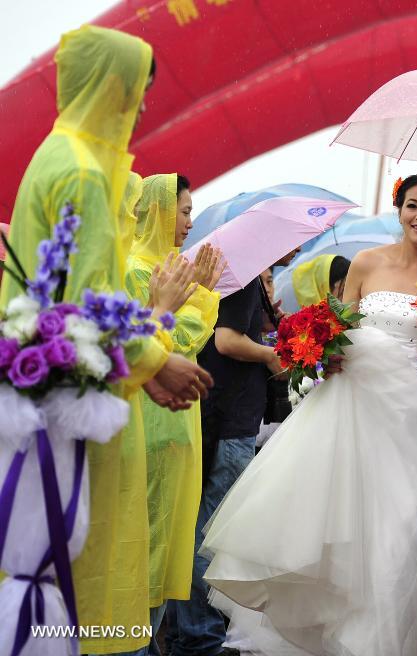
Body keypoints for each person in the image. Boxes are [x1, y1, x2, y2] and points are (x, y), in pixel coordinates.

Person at [199, 171, 417, 656]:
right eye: (412, 205)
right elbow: (337, 325)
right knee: (333, 524)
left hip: (413, 414)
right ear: (400, 210)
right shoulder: (367, 262)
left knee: (398, 532)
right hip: (349, 403)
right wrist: (323, 350)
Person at [0, 26, 211, 654]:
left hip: (50, 391)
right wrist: (156, 360)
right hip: (76, 401)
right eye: (135, 88)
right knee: (77, 575)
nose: (142, 105)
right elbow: (87, 300)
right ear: (106, 86)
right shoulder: (86, 173)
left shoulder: (54, 155)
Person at [165, 239, 297, 656]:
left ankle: (191, 631)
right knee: (212, 531)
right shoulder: (241, 276)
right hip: (228, 420)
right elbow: (226, 340)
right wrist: (272, 355)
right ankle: (200, 636)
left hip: (224, 417)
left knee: (204, 527)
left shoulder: (250, 278)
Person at [125, 173, 225, 653]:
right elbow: (175, 341)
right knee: (140, 556)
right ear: (157, 211)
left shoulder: (166, 268)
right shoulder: (136, 271)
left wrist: (197, 293)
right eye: (184, 210)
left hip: (176, 426)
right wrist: (202, 295)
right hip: (147, 425)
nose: (189, 222)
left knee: (166, 549)